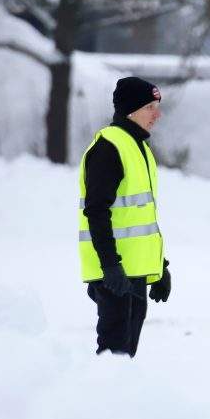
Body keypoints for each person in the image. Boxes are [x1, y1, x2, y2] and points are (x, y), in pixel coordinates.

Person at [79, 76, 171, 357]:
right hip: (115, 273)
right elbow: (96, 211)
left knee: (125, 354)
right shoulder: (109, 147)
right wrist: (110, 266)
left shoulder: (138, 146)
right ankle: (101, 401)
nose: (157, 114)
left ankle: (117, 400)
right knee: (113, 354)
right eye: (150, 108)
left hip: (134, 272)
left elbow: (140, 217)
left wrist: (160, 267)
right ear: (131, 110)